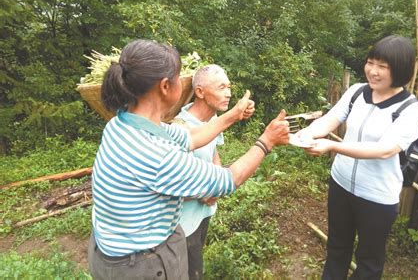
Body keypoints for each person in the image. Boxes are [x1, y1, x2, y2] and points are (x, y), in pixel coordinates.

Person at [87, 39, 289, 280]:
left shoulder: (123, 123)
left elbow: (190, 137)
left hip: (110, 250)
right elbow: (228, 179)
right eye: (178, 76)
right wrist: (267, 140)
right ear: (165, 86)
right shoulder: (157, 155)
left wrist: (233, 115)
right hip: (140, 265)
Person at [298, 36, 418, 279]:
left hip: (377, 198)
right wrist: (305, 134)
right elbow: (331, 119)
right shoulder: (357, 92)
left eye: (382, 66)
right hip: (341, 184)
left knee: (368, 263)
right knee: (336, 248)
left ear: (400, 70)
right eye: (370, 62)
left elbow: (385, 149)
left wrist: (331, 147)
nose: (373, 71)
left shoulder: (411, 110)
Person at [173, 64, 236, 280]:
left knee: (197, 264)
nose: (228, 93)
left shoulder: (212, 121)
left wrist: (217, 180)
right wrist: (206, 192)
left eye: (229, 87)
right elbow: (172, 184)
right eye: (221, 87)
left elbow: (213, 152)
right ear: (200, 92)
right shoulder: (181, 129)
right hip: (181, 223)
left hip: (202, 214)